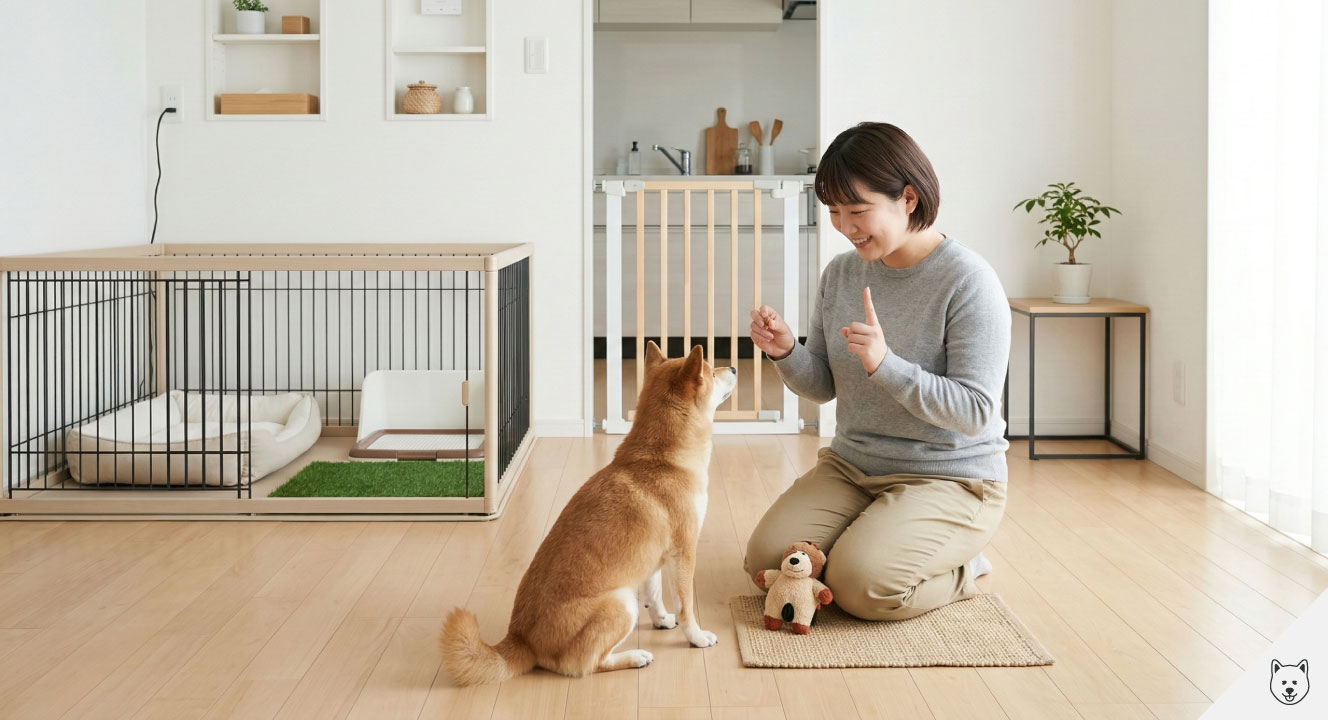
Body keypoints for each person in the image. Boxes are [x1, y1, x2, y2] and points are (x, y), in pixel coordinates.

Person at [746, 122, 1010, 621]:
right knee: (765, 562)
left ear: (907, 198)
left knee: (859, 588)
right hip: (853, 466)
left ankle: (963, 567)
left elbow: (976, 413)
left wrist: (887, 366)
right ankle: (873, 534)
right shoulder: (842, 273)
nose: (846, 226)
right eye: (834, 212)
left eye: (858, 209)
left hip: (950, 479)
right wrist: (787, 352)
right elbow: (823, 386)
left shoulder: (969, 281)